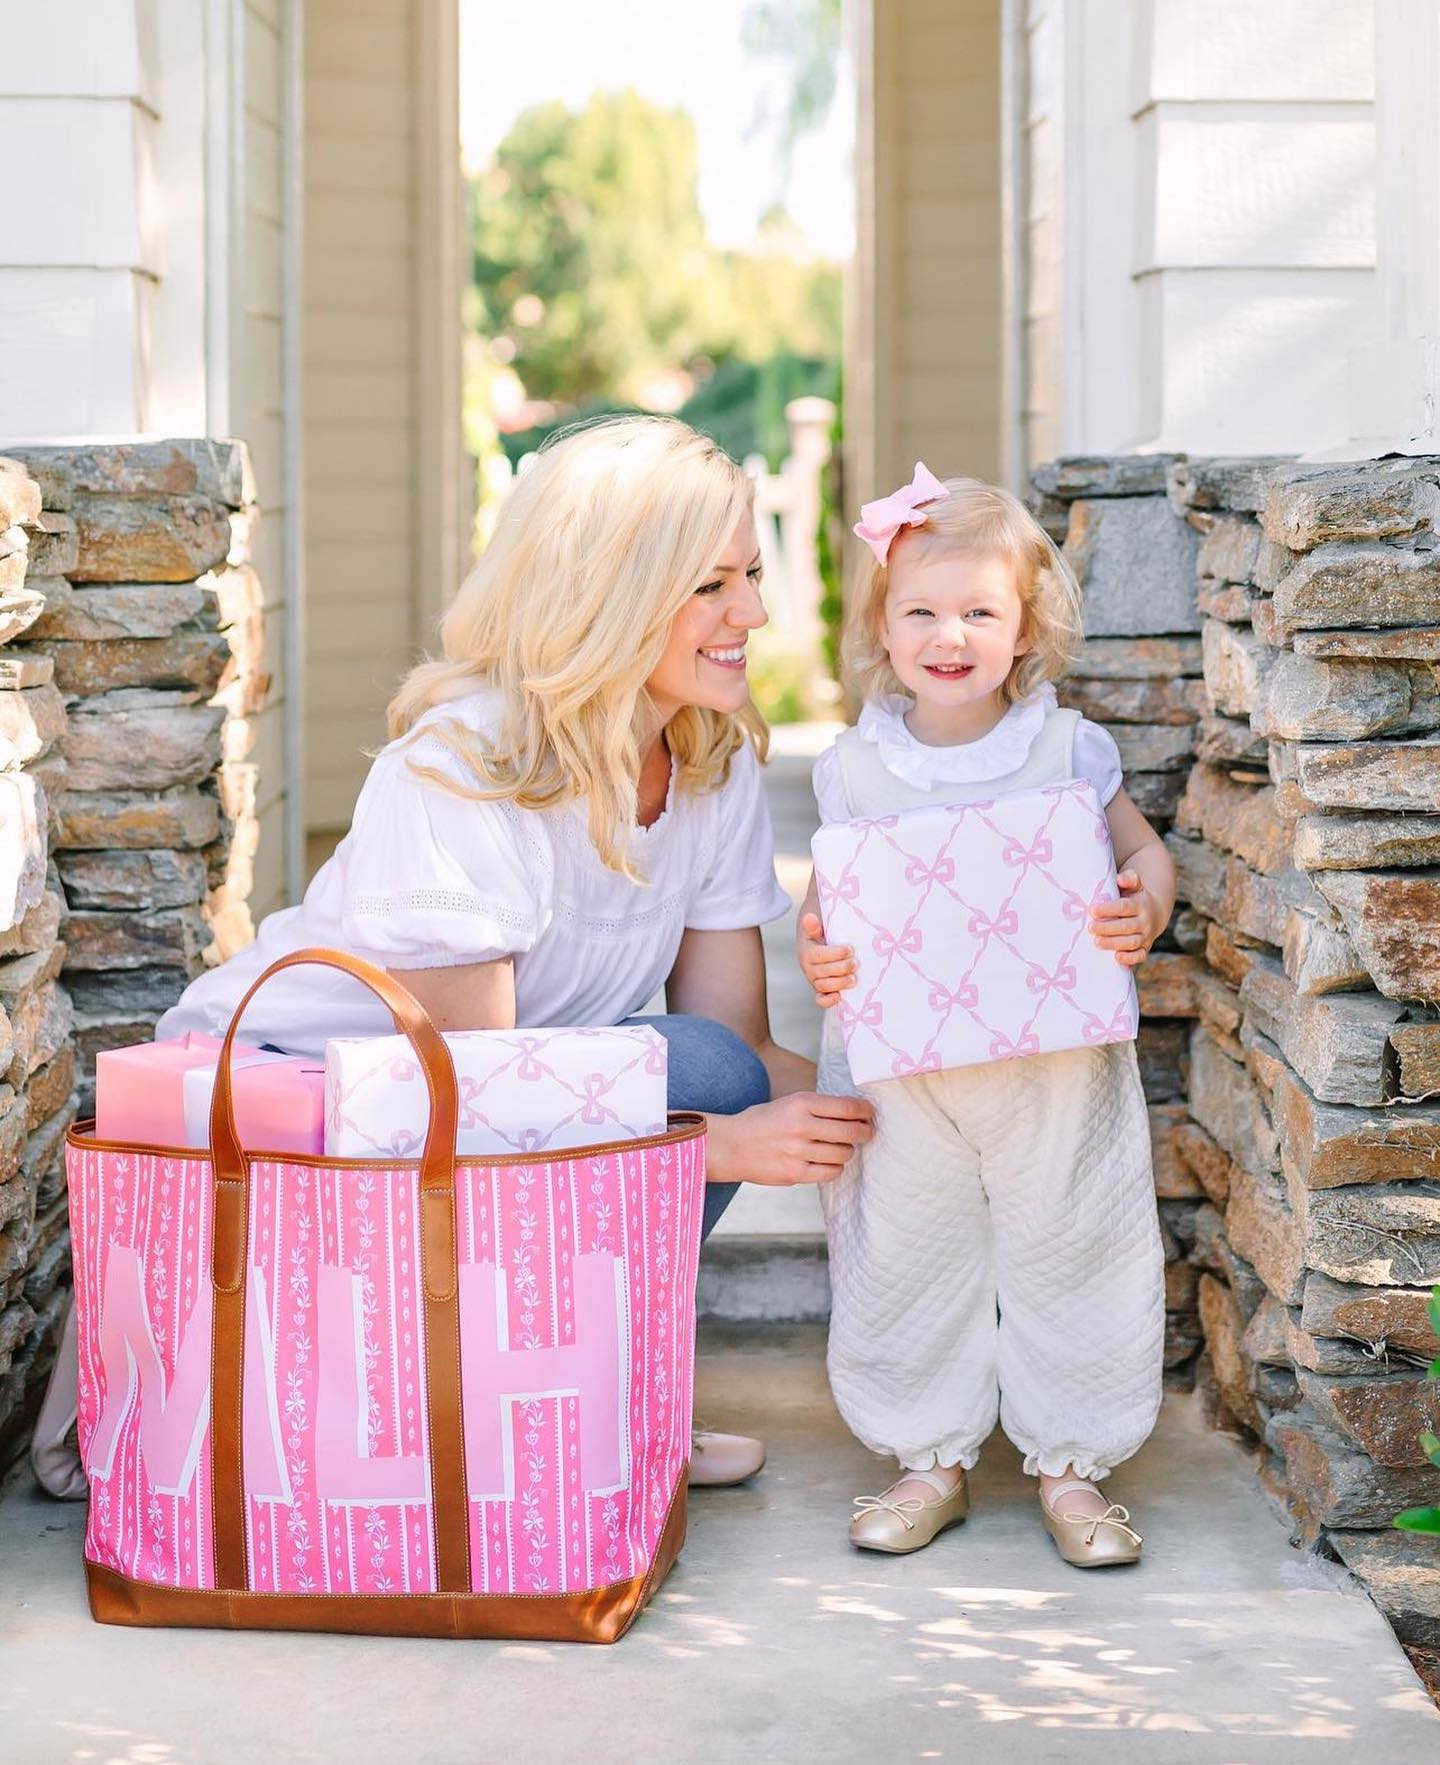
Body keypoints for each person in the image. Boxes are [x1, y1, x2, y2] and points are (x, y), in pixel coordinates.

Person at [159, 415, 874, 1487]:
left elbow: (735, 1053)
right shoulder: (463, 766)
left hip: (482, 1110)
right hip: (304, 1115)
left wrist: (910, 1117)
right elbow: (461, 1088)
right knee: (700, 1099)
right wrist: (721, 1148)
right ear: (611, 592)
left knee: (705, 1066)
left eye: (752, 576)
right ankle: (528, 1405)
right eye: (711, 586)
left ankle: (587, 1394)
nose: (755, 615)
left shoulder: (706, 759)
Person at [795, 466, 1171, 1564]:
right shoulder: (858, 766)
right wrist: (819, 948)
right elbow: (831, 895)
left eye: (978, 612)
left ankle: (1073, 1466)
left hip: (1054, 1065)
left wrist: (1141, 902)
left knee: (1074, 1237)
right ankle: (929, 1459)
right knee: (907, 1244)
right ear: (881, 624)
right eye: (920, 610)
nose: (948, 634)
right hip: (905, 1064)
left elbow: (1142, 851)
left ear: (1024, 626)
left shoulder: (1063, 749)